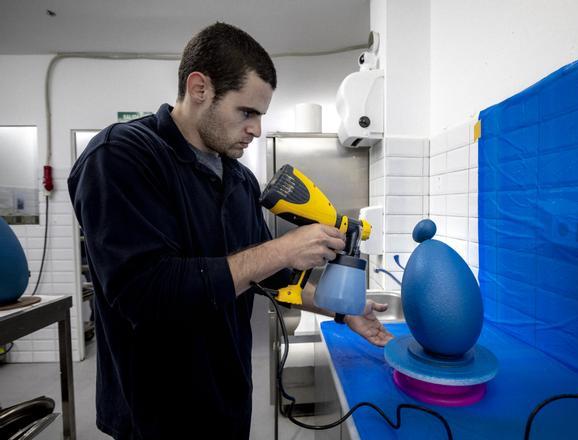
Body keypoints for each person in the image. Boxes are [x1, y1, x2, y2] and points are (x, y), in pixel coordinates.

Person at [68, 22, 393, 440]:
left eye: (261, 115)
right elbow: (144, 293)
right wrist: (281, 250)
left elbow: (266, 277)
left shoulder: (238, 180)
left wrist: (344, 310)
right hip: (157, 412)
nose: (257, 129)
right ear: (199, 88)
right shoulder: (122, 156)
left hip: (227, 401)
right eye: (247, 112)